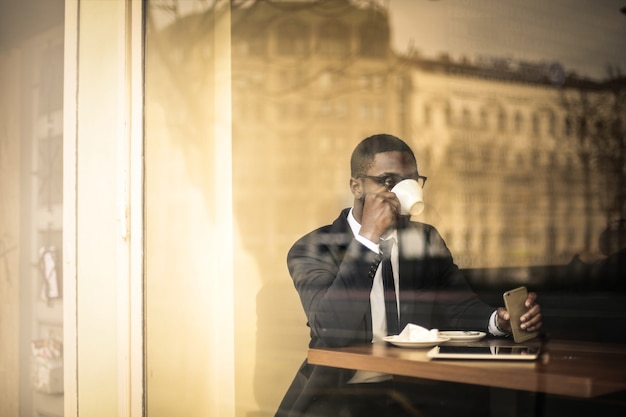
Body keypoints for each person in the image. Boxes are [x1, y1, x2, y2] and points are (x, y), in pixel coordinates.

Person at [275, 134, 543, 417]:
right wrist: (368, 240)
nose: (401, 191)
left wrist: (498, 321)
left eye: (411, 181)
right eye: (389, 182)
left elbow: (458, 305)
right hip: (339, 398)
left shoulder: (425, 240)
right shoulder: (314, 248)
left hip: (411, 396)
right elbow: (330, 328)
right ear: (356, 186)